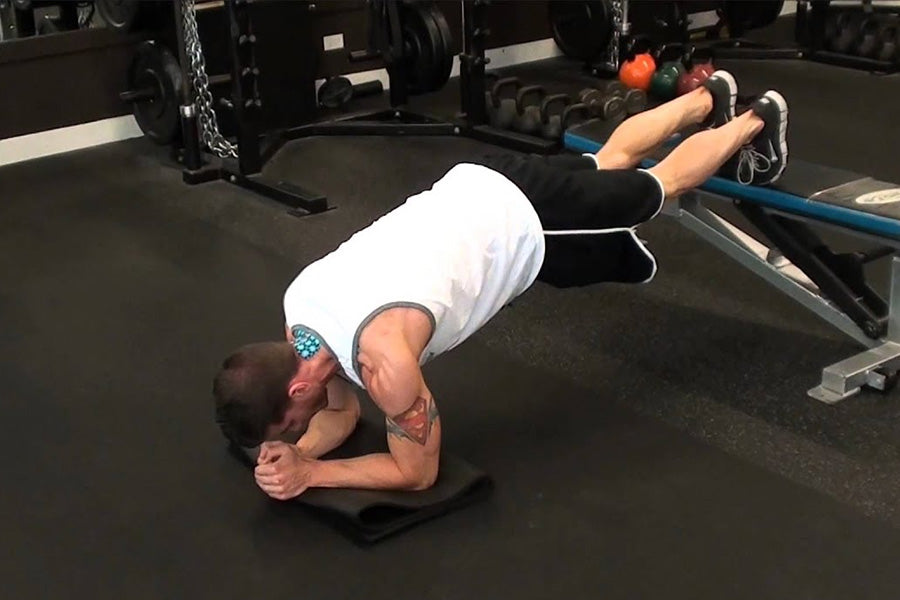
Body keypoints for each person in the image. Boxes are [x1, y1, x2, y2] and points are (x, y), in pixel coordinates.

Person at [212, 71, 789, 500]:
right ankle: (709, 95)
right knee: (608, 159)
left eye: (292, 422)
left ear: (293, 392)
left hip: (523, 221)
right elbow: (334, 416)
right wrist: (295, 451)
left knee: (655, 189)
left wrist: (312, 473)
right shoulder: (299, 316)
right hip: (476, 182)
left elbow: (417, 472)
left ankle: (757, 119)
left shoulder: (382, 362)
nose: (303, 424)